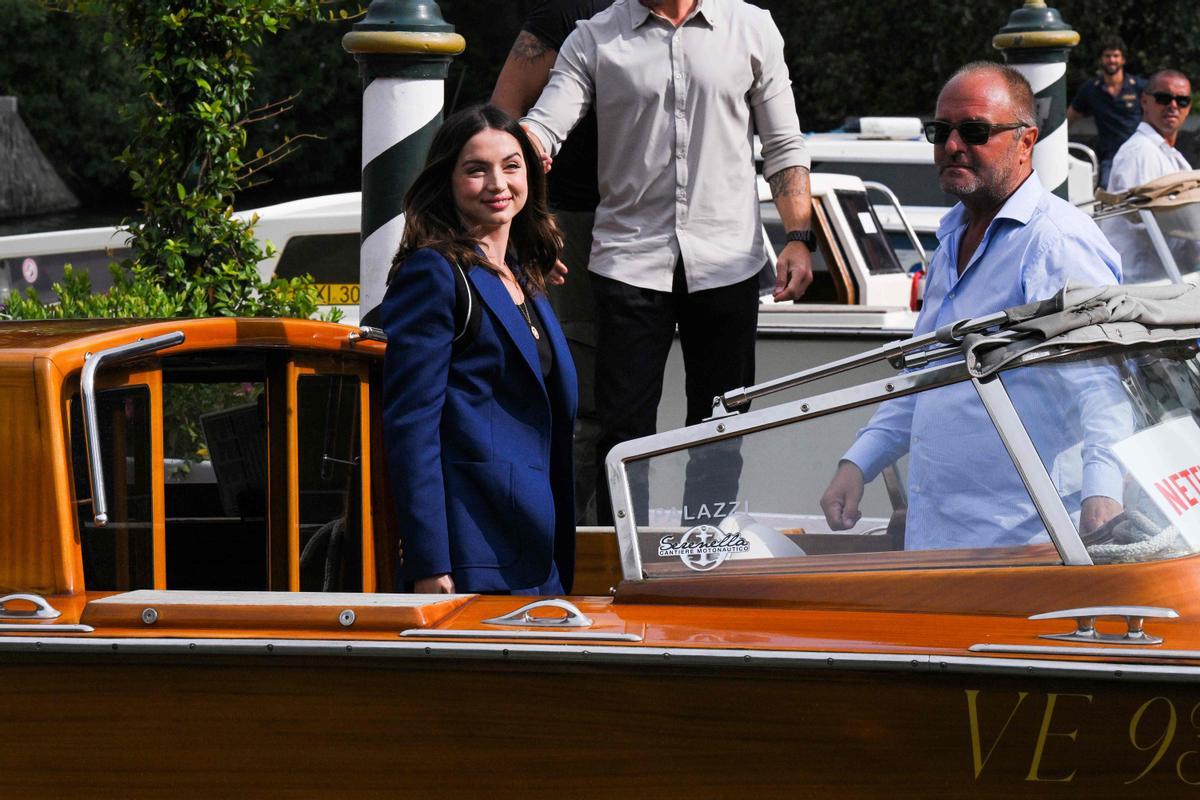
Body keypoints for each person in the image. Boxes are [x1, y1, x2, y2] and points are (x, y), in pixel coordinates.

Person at [519, 0, 814, 525]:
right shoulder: (594, 37)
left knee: (721, 425)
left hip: (728, 261)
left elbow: (783, 144)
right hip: (628, 259)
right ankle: (622, 564)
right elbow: (545, 126)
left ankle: (704, 559)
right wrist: (517, 153)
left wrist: (798, 236)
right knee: (622, 431)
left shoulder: (752, 26)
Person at [820, 62, 1124, 550]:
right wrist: (858, 463)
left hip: (1028, 541)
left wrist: (1103, 493)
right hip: (942, 537)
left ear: (1026, 142)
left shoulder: (1055, 243)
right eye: (940, 131)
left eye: (975, 131)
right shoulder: (952, 238)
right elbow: (925, 372)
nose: (953, 145)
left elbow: (1103, 383)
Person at [380, 104, 578, 595]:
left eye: (512, 165)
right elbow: (412, 427)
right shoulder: (433, 273)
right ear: (446, 180)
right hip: (470, 558)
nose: (498, 183)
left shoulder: (526, 276)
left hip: (538, 553)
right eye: (476, 169)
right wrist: (429, 561)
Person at [490, 0, 614, 525]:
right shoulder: (568, 17)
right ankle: (580, 538)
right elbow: (502, 121)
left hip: (663, 233)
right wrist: (530, 224)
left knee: (629, 400)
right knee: (585, 399)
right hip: (574, 224)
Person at [1100, 70, 1197, 283]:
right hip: (1146, 285)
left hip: (1169, 280)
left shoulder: (1170, 155)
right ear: (1145, 101)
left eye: (1182, 100)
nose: (1173, 105)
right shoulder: (1139, 153)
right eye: (1164, 98)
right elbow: (1144, 221)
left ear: (1188, 108)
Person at [1067, 35, 1146, 188]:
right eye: (1107, 56)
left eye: (1116, 56)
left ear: (1123, 59)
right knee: (1107, 198)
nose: (1112, 60)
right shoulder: (1090, 89)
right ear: (1100, 60)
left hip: (1139, 154)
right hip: (1110, 157)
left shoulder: (1139, 87)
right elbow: (1069, 118)